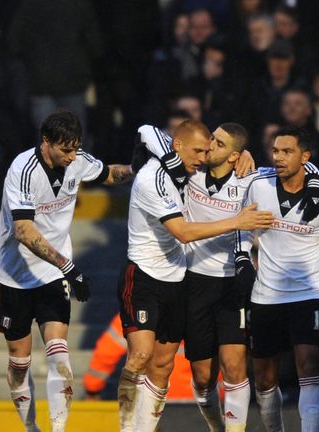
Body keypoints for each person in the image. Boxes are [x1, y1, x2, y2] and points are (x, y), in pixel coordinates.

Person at [117, 119, 274, 432]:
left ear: (235, 155)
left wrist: (250, 156)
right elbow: (148, 130)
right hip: (188, 279)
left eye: (216, 145)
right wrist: (236, 222)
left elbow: (294, 171)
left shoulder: (250, 178)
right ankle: (200, 423)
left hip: (228, 280)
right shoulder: (187, 173)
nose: (207, 151)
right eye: (206, 143)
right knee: (200, 378)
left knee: (232, 366)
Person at [0, 110, 133, 432]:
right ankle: (30, 427)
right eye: (65, 150)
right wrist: (70, 267)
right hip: (14, 275)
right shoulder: (23, 170)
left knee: (59, 355)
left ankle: (58, 429)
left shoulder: (78, 159)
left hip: (52, 276)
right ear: (46, 142)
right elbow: (24, 231)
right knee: (19, 362)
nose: (72, 156)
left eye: (76, 148)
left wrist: (139, 169)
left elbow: (108, 174)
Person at [241, 126, 319, 432]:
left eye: (287, 151)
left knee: (310, 365)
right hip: (265, 296)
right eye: (275, 151)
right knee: (264, 378)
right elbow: (240, 221)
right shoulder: (258, 184)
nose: (278, 157)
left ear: (305, 156)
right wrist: (242, 254)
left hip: (308, 294)